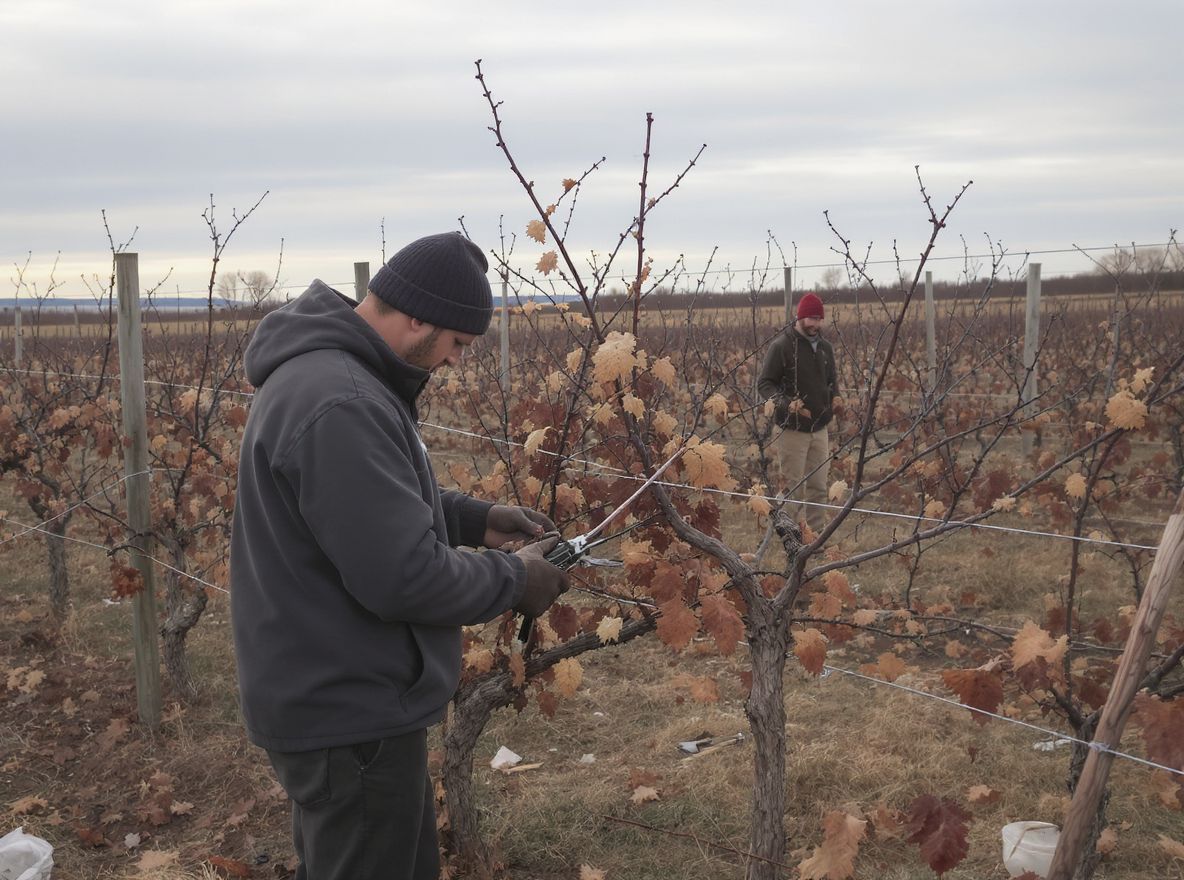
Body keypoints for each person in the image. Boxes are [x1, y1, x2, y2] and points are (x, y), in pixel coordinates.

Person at [230, 231, 570, 880]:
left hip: (346, 695)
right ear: (419, 317)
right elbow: (402, 574)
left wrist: (475, 520)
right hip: (347, 711)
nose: (455, 362)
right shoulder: (342, 400)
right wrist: (514, 579)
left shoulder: (339, 379)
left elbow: (361, 515)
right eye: (457, 344)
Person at [757, 292, 839, 532]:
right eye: (811, 318)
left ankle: (813, 537)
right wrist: (784, 403)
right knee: (793, 488)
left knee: (818, 487)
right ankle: (789, 536)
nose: (815, 324)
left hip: (820, 429)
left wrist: (836, 398)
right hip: (792, 430)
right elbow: (765, 384)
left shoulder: (825, 348)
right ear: (800, 317)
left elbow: (832, 381)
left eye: (818, 318)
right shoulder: (782, 346)